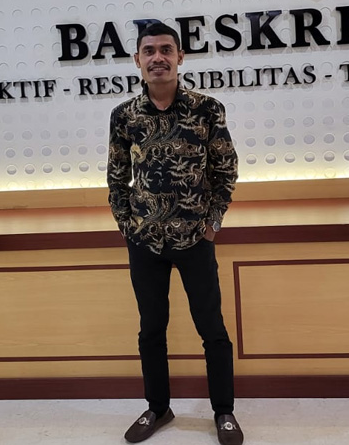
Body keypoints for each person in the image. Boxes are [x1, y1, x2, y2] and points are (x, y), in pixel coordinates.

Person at [107, 23, 242, 445]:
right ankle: (158, 407)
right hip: (144, 241)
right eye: (149, 51)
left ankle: (224, 412)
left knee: (212, 329)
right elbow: (116, 178)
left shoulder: (207, 109)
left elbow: (226, 170)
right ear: (138, 60)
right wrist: (128, 228)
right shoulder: (124, 116)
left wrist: (213, 224)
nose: (158, 58)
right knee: (151, 330)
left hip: (195, 240)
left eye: (166, 49)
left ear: (180, 57)